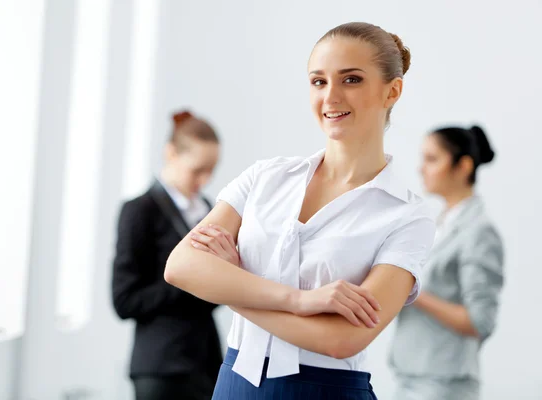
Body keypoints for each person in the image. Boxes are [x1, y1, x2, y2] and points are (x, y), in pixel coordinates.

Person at [164, 22, 437, 399]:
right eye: (318, 81)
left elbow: (344, 339)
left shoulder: (408, 216)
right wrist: (301, 301)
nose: (331, 97)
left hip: (327, 391)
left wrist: (230, 282)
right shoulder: (265, 178)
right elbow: (180, 267)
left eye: (351, 80)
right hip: (235, 386)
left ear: (393, 90)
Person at [111, 110, 222, 400]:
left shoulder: (208, 208)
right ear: (171, 153)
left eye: (211, 170)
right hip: (161, 367)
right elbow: (124, 300)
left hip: (206, 363)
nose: (205, 179)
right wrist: (191, 281)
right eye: (197, 170)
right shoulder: (140, 211)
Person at [389, 125, 504, 400]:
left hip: (443, 385)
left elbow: (480, 321)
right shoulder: (439, 224)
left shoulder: (479, 231)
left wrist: (412, 291)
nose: (421, 169)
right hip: (410, 377)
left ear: (463, 166)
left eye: (432, 159)